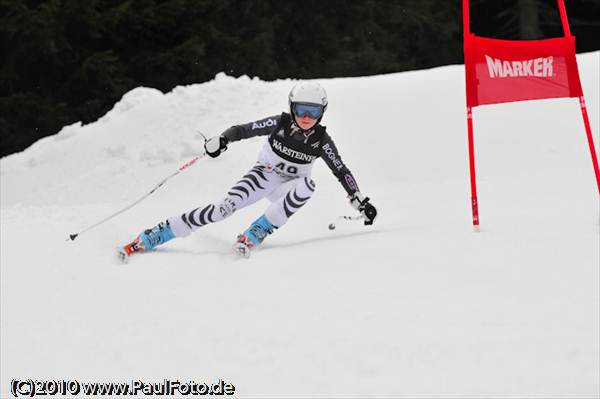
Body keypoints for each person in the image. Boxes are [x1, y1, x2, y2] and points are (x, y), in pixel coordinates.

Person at [120, 81, 377, 258]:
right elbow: (243, 129)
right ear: (291, 108)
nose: (307, 117)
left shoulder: (321, 140)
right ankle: (159, 233)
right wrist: (222, 140)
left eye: (314, 111)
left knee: (307, 186)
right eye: (301, 109)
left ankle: (259, 229)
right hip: (262, 176)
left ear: (322, 113)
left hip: (288, 188)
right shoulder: (280, 124)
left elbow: (340, 170)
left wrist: (359, 200)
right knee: (221, 210)